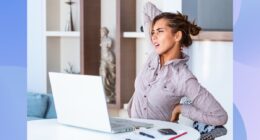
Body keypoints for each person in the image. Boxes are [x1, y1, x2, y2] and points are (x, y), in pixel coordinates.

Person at [127, 2, 228, 126]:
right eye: (153, 32)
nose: (153, 36)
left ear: (177, 36)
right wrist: (172, 23)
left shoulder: (184, 79)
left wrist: (182, 109)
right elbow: (147, 8)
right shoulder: (153, 52)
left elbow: (220, 117)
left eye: (160, 31)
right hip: (129, 131)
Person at [99, 27, 116, 103]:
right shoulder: (102, 40)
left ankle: (111, 94)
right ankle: (106, 94)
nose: (101, 33)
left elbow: (109, 46)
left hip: (109, 58)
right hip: (103, 59)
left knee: (111, 76)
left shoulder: (109, 40)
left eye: (102, 31)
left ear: (105, 32)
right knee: (104, 75)